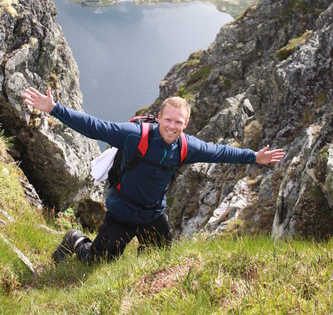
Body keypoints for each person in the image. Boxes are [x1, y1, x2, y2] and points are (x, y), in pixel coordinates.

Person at [23, 86, 285, 264]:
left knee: (160, 259)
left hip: (153, 214)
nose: (172, 126)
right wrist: (54, 108)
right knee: (95, 262)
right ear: (159, 117)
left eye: (178, 122)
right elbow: (95, 127)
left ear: (186, 125)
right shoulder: (134, 135)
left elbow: (219, 152)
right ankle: (75, 239)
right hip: (122, 212)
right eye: (168, 120)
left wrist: (253, 156)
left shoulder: (186, 146)